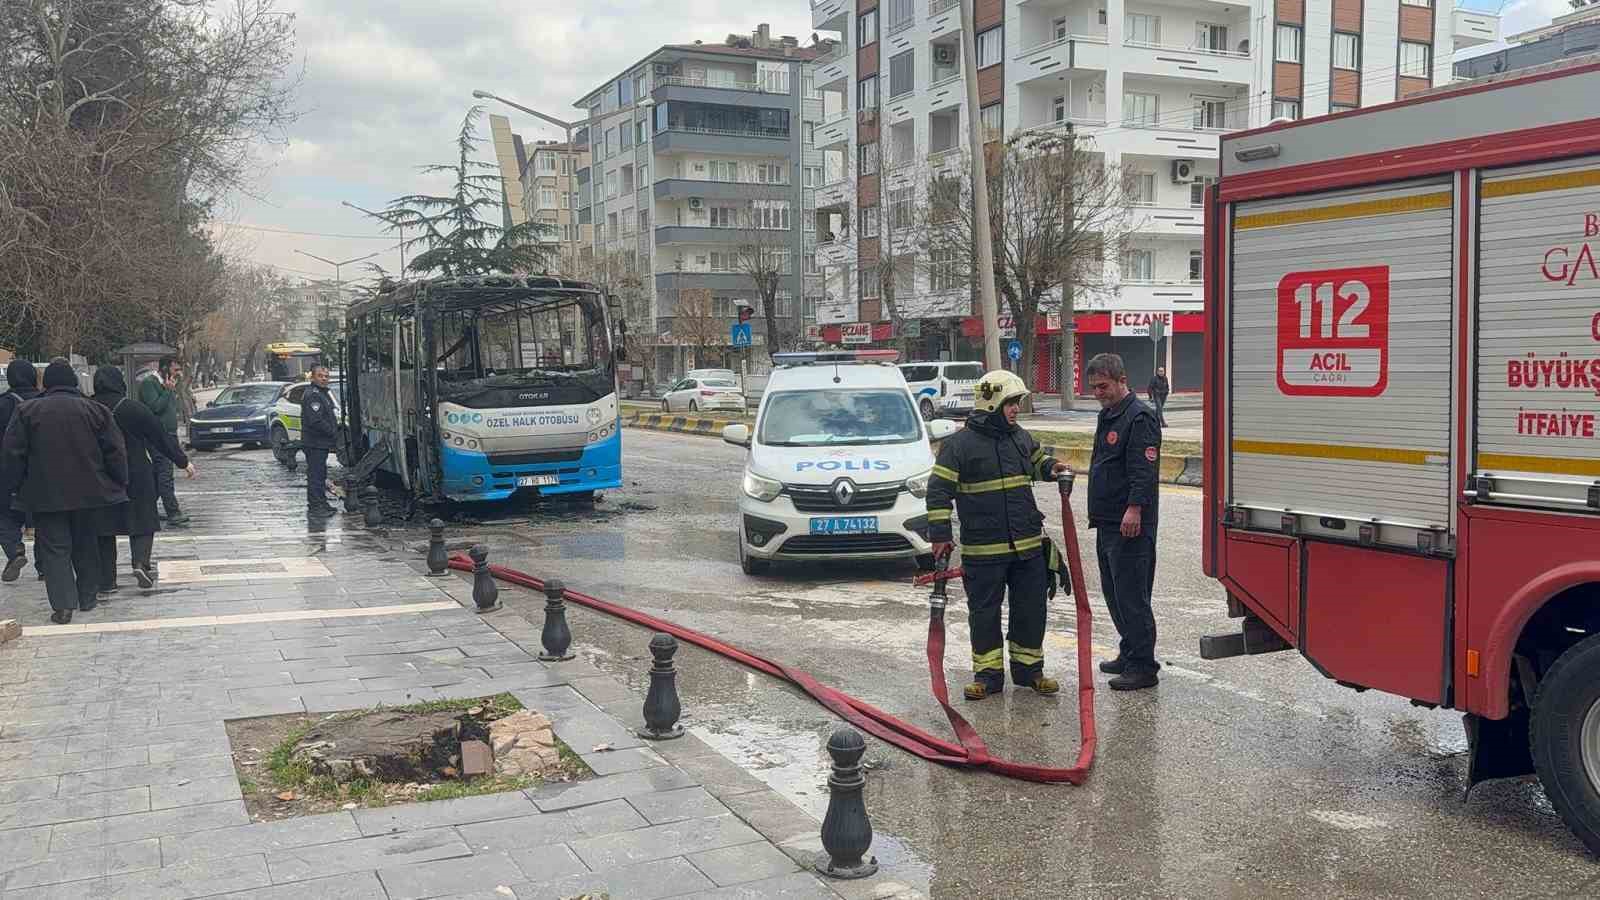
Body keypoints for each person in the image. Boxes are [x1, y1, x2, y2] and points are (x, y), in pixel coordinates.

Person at [926, 370, 1070, 701]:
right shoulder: (958, 446)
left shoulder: (1020, 437)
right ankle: (988, 676)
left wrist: (1053, 468)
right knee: (985, 613)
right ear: (992, 403)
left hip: (1028, 548)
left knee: (1031, 611)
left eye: (1017, 403)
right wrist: (940, 535)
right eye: (1012, 403)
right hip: (984, 551)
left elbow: (1037, 463)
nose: (1017, 409)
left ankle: (1029, 671)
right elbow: (938, 492)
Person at [0, 361, 128, 623]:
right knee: (85, 542)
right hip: (90, 491)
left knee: (54, 548)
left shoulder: (27, 411)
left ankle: (63, 605)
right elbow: (115, 450)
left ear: (45, 383)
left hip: (45, 494)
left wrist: (11, 489)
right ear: (74, 382)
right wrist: (119, 481)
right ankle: (88, 596)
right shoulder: (96, 410)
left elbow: (13, 455)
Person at [1086, 353, 1163, 691]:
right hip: (1107, 521)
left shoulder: (1139, 418)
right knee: (1114, 593)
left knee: (1132, 596)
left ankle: (1144, 666)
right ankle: (1129, 651)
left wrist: (1135, 508)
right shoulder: (1110, 415)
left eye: (1103, 386)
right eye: (1094, 388)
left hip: (1130, 522)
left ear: (1121, 380)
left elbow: (1142, 471)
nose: (1098, 393)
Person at [91, 367, 195, 593]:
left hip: (99, 474)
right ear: (120, 383)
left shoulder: (87, 408)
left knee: (103, 528)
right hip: (136, 471)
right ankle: (140, 564)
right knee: (143, 519)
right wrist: (183, 461)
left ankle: (106, 581)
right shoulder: (133, 408)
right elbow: (159, 436)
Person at [0, 359, 41, 582]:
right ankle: (46, 565)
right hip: (43, 470)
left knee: (5, 516)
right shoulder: (45, 401)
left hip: (7, 471)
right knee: (45, 519)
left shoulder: (4, 404)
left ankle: (14, 550)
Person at [135, 357, 188, 525]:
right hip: (157, 435)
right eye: (175, 370)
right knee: (165, 473)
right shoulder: (149, 383)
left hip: (170, 434)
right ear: (164, 369)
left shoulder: (168, 385)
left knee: (158, 474)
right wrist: (167, 391)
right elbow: (156, 407)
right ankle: (173, 512)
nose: (178, 374)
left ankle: (146, 510)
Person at [302, 365, 339, 517]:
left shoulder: (322, 393)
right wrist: (331, 432)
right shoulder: (314, 395)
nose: (324, 378)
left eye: (326, 376)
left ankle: (322, 503)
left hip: (319, 443)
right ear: (313, 377)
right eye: (320, 376)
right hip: (315, 443)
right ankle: (316, 507)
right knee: (316, 476)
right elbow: (316, 421)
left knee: (321, 474)